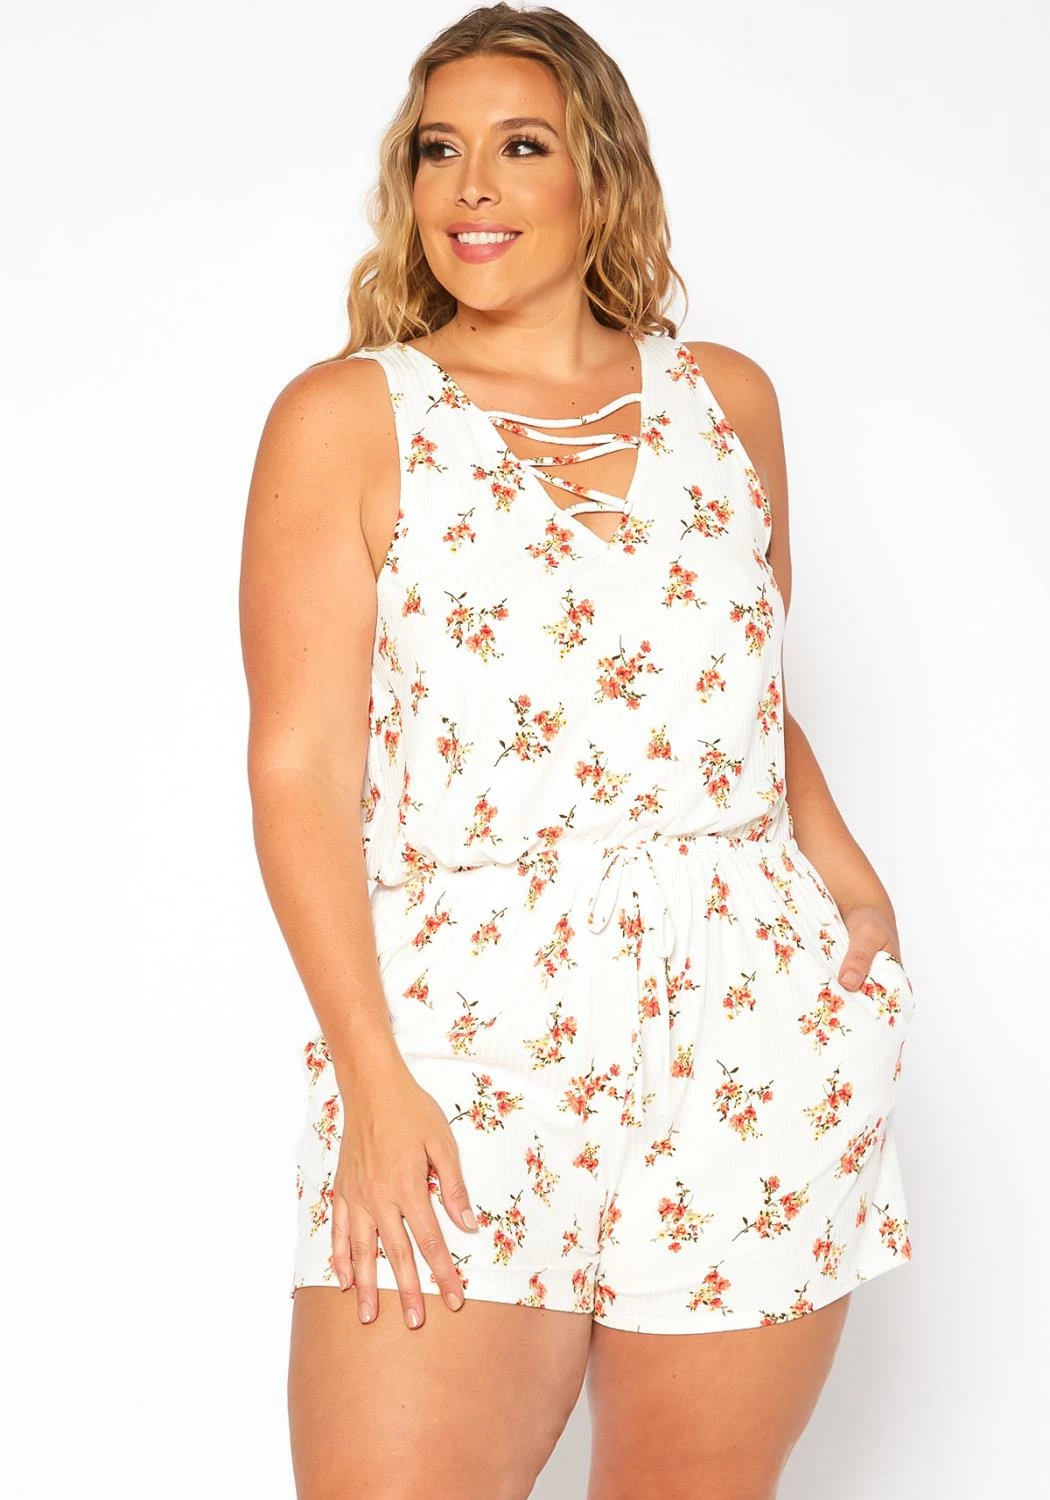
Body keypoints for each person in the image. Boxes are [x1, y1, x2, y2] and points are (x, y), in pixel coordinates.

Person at [239, 5, 917, 1496]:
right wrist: (371, 1078)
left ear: (599, 175)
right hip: (469, 1021)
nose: (470, 186)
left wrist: (852, 887)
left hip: (753, 1010)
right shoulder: (349, 419)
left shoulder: (726, 401)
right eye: (438, 151)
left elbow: (739, 684)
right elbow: (298, 768)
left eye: (520, 146)